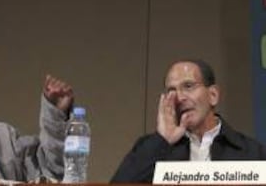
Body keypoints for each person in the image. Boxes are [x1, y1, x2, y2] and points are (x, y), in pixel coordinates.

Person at [111, 59, 266, 183]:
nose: (179, 97)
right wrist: (162, 140)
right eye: (171, 90)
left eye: (188, 86)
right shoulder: (152, 149)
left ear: (213, 95)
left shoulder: (252, 152)